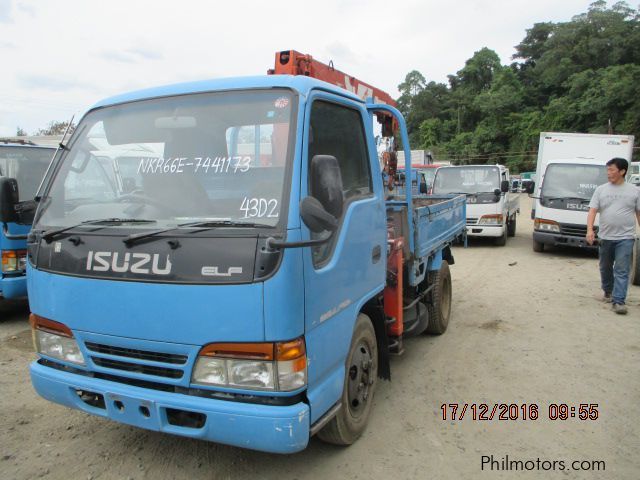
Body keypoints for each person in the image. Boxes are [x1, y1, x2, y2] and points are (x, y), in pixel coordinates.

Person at [586, 157, 640, 315]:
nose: (608, 173)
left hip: (626, 237)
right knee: (605, 267)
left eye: (611, 170)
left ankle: (619, 301)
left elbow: (638, 214)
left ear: (622, 171)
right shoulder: (601, 190)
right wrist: (590, 230)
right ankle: (608, 291)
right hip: (605, 236)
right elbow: (592, 211)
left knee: (622, 270)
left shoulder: (635, 191)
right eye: (607, 170)